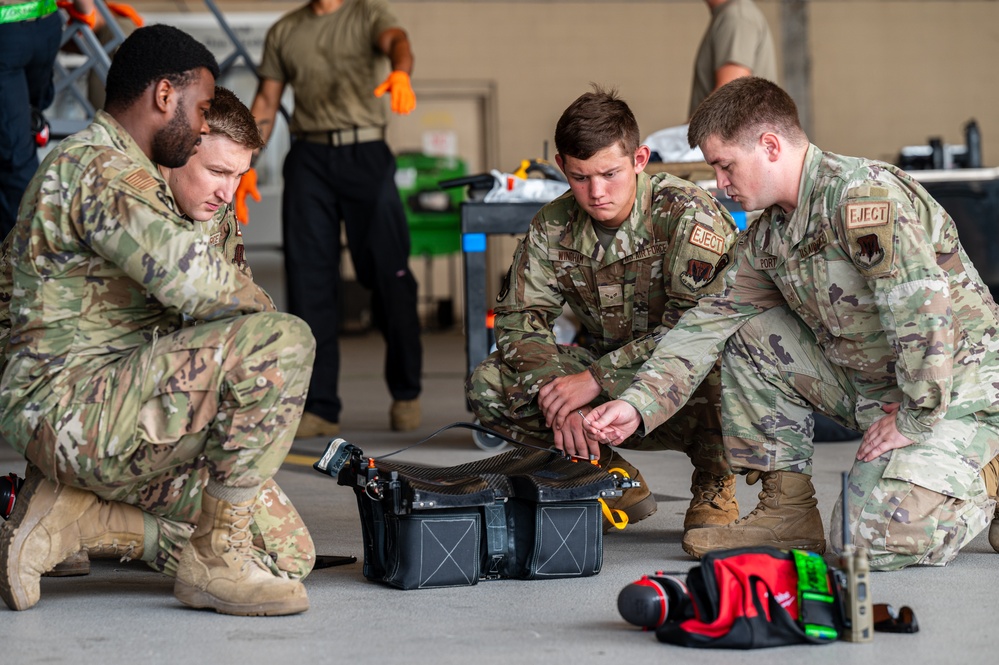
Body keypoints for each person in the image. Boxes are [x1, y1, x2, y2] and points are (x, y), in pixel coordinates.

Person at [585, 77, 999, 570]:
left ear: (770, 146)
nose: (721, 184)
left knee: (864, 542)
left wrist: (917, 415)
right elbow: (706, 324)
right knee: (747, 332)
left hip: (959, 395)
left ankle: (989, 465)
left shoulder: (861, 199)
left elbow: (920, 309)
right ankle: (787, 512)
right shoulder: (769, 236)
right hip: (876, 389)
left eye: (725, 165)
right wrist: (636, 405)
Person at [0, 25, 315, 615]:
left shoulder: (122, 173)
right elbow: (192, 281)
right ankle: (212, 564)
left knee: (286, 556)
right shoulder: (98, 168)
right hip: (79, 412)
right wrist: (269, 344)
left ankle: (85, 521)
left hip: (123, 407)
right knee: (283, 344)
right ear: (165, 97)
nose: (201, 124)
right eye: (200, 110)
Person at [466, 88, 740, 534]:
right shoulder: (552, 225)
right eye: (579, 177)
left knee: (738, 365)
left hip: (686, 382)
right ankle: (606, 474)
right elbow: (520, 319)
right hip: (604, 391)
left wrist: (595, 380)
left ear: (639, 159)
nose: (596, 192)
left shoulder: (687, 215)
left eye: (610, 173)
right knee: (491, 384)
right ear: (561, 167)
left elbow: (696, 329)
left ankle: (714, 481)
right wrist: (558, 394)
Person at [248, 0, 422, 438]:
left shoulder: (366, 15)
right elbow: (267, 99)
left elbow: (397, 42)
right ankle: (320, 406)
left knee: (389, 275)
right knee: (309, 281)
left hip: (366, 152)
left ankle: (406, 392)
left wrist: (400, 71)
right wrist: (244, 161)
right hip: (309, 158)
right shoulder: (285, 31)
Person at [0, 0, 95, 238]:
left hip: (16, 29)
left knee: (17, 145)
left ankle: (24, 249)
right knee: (19, 139)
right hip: (43, 25)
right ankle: (26, 244)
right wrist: (86, 10)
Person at [689, 0, 777, 119]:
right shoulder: (733, 14)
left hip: (729, 136)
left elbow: (730, 96)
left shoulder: (736, 17)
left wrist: (676, 134)